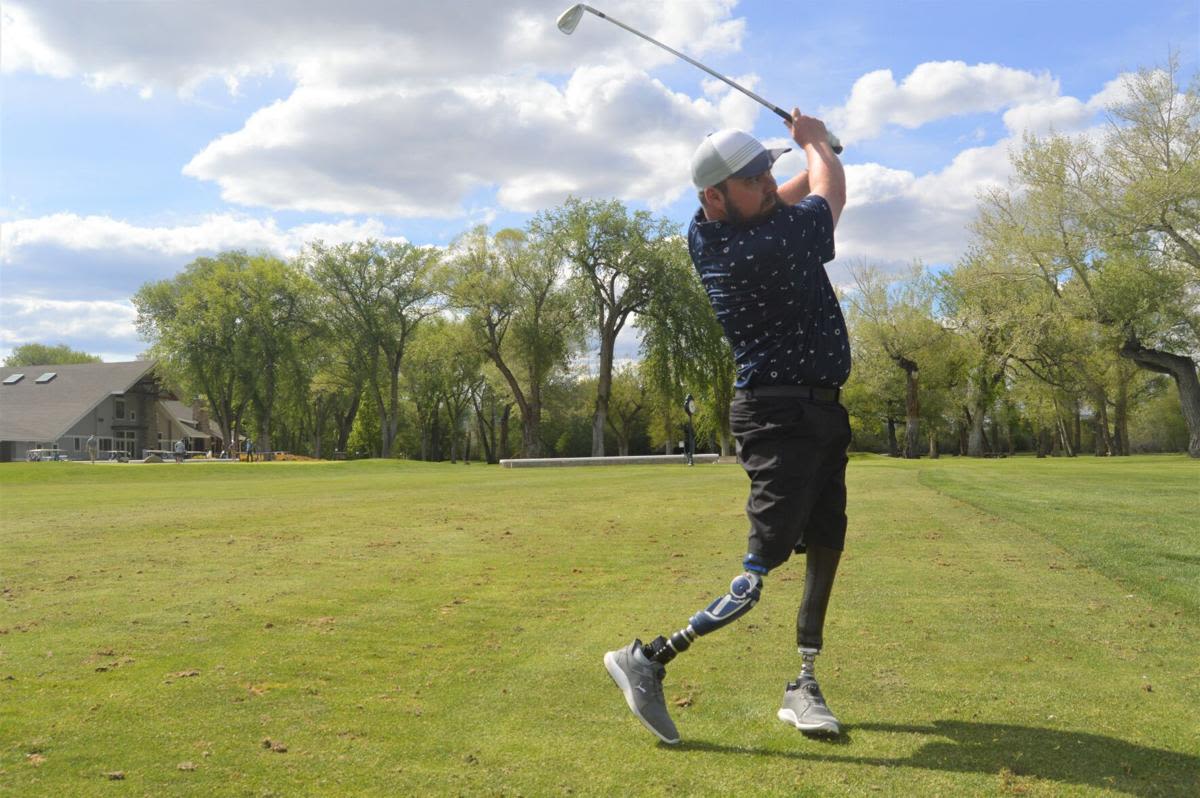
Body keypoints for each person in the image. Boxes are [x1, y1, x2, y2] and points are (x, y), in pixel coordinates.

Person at [603, 110, 849, 745]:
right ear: (714, 195)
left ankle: (804, 684)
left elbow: (794, 193)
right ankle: (648, 658)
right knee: (761, 566)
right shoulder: (762, 248)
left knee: (826, 540)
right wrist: (817, 144)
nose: (769, 183)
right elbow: (827, 196)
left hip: (819, 410)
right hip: (779, 414)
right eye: (753, 178)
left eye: (766, 171)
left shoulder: (714, 229)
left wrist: (800, 156)